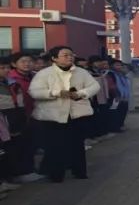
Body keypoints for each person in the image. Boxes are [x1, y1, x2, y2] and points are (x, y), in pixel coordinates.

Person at [29, 46, 99, 182]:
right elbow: (34, 92)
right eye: (65, 55)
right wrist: (56, 93)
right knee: (55, 146)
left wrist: (81, 93)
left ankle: (79, 172)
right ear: (54, 58)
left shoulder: (81, 72)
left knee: (77, 145)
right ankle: (56, 174)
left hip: (76, 114)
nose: (69, 57)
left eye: (71, 55)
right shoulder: (44, 74)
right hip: (53, 116)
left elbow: (94, 86)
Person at [3, 53, 43, 184]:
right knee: (18, 146)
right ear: (14, 64)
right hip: (15, 117)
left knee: (30, 144)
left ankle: (28, 170)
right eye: (23, 61)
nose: (27, 64)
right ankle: (21, 172)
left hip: (33, 114)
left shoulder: (34, 76)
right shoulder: (12, 80)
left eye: (30, 61)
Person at [106, 58, 131, 133]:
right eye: (117, 65)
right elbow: (111, 86)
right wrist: (116, 94)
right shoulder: (110, 74)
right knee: (115, 112)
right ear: (111, 66)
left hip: (124, 97)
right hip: (115, 97)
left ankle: (120, 125)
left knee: (123, 111)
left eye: (120, 65)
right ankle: (115, 127)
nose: (119, 67)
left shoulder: (121, 74)